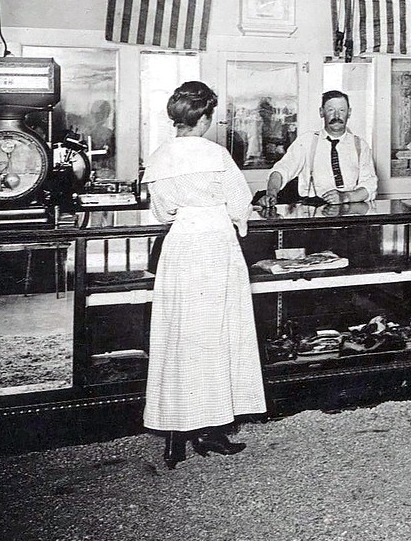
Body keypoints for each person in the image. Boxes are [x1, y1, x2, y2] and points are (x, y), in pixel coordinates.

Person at [140, 81, 266, 469]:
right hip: (214, 247)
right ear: (205, 117)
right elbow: (240, 203)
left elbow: (162, 213)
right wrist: (229, 218)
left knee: (179, 337)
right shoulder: (217, 154)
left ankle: (177, 433)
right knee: (215, 337)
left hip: (180, 250)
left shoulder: (159, 157)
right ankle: (209, 428)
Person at [257, 89, 377, 208]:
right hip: (315, 211)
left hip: (351, 212)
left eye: (341, 110)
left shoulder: (360, 145)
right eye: (331, 110)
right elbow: (281, 170)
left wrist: (345, 197)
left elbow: (370, 185)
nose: (336, 116)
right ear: (321, 112)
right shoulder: (306, 141)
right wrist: (271, 193)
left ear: (349, 113)